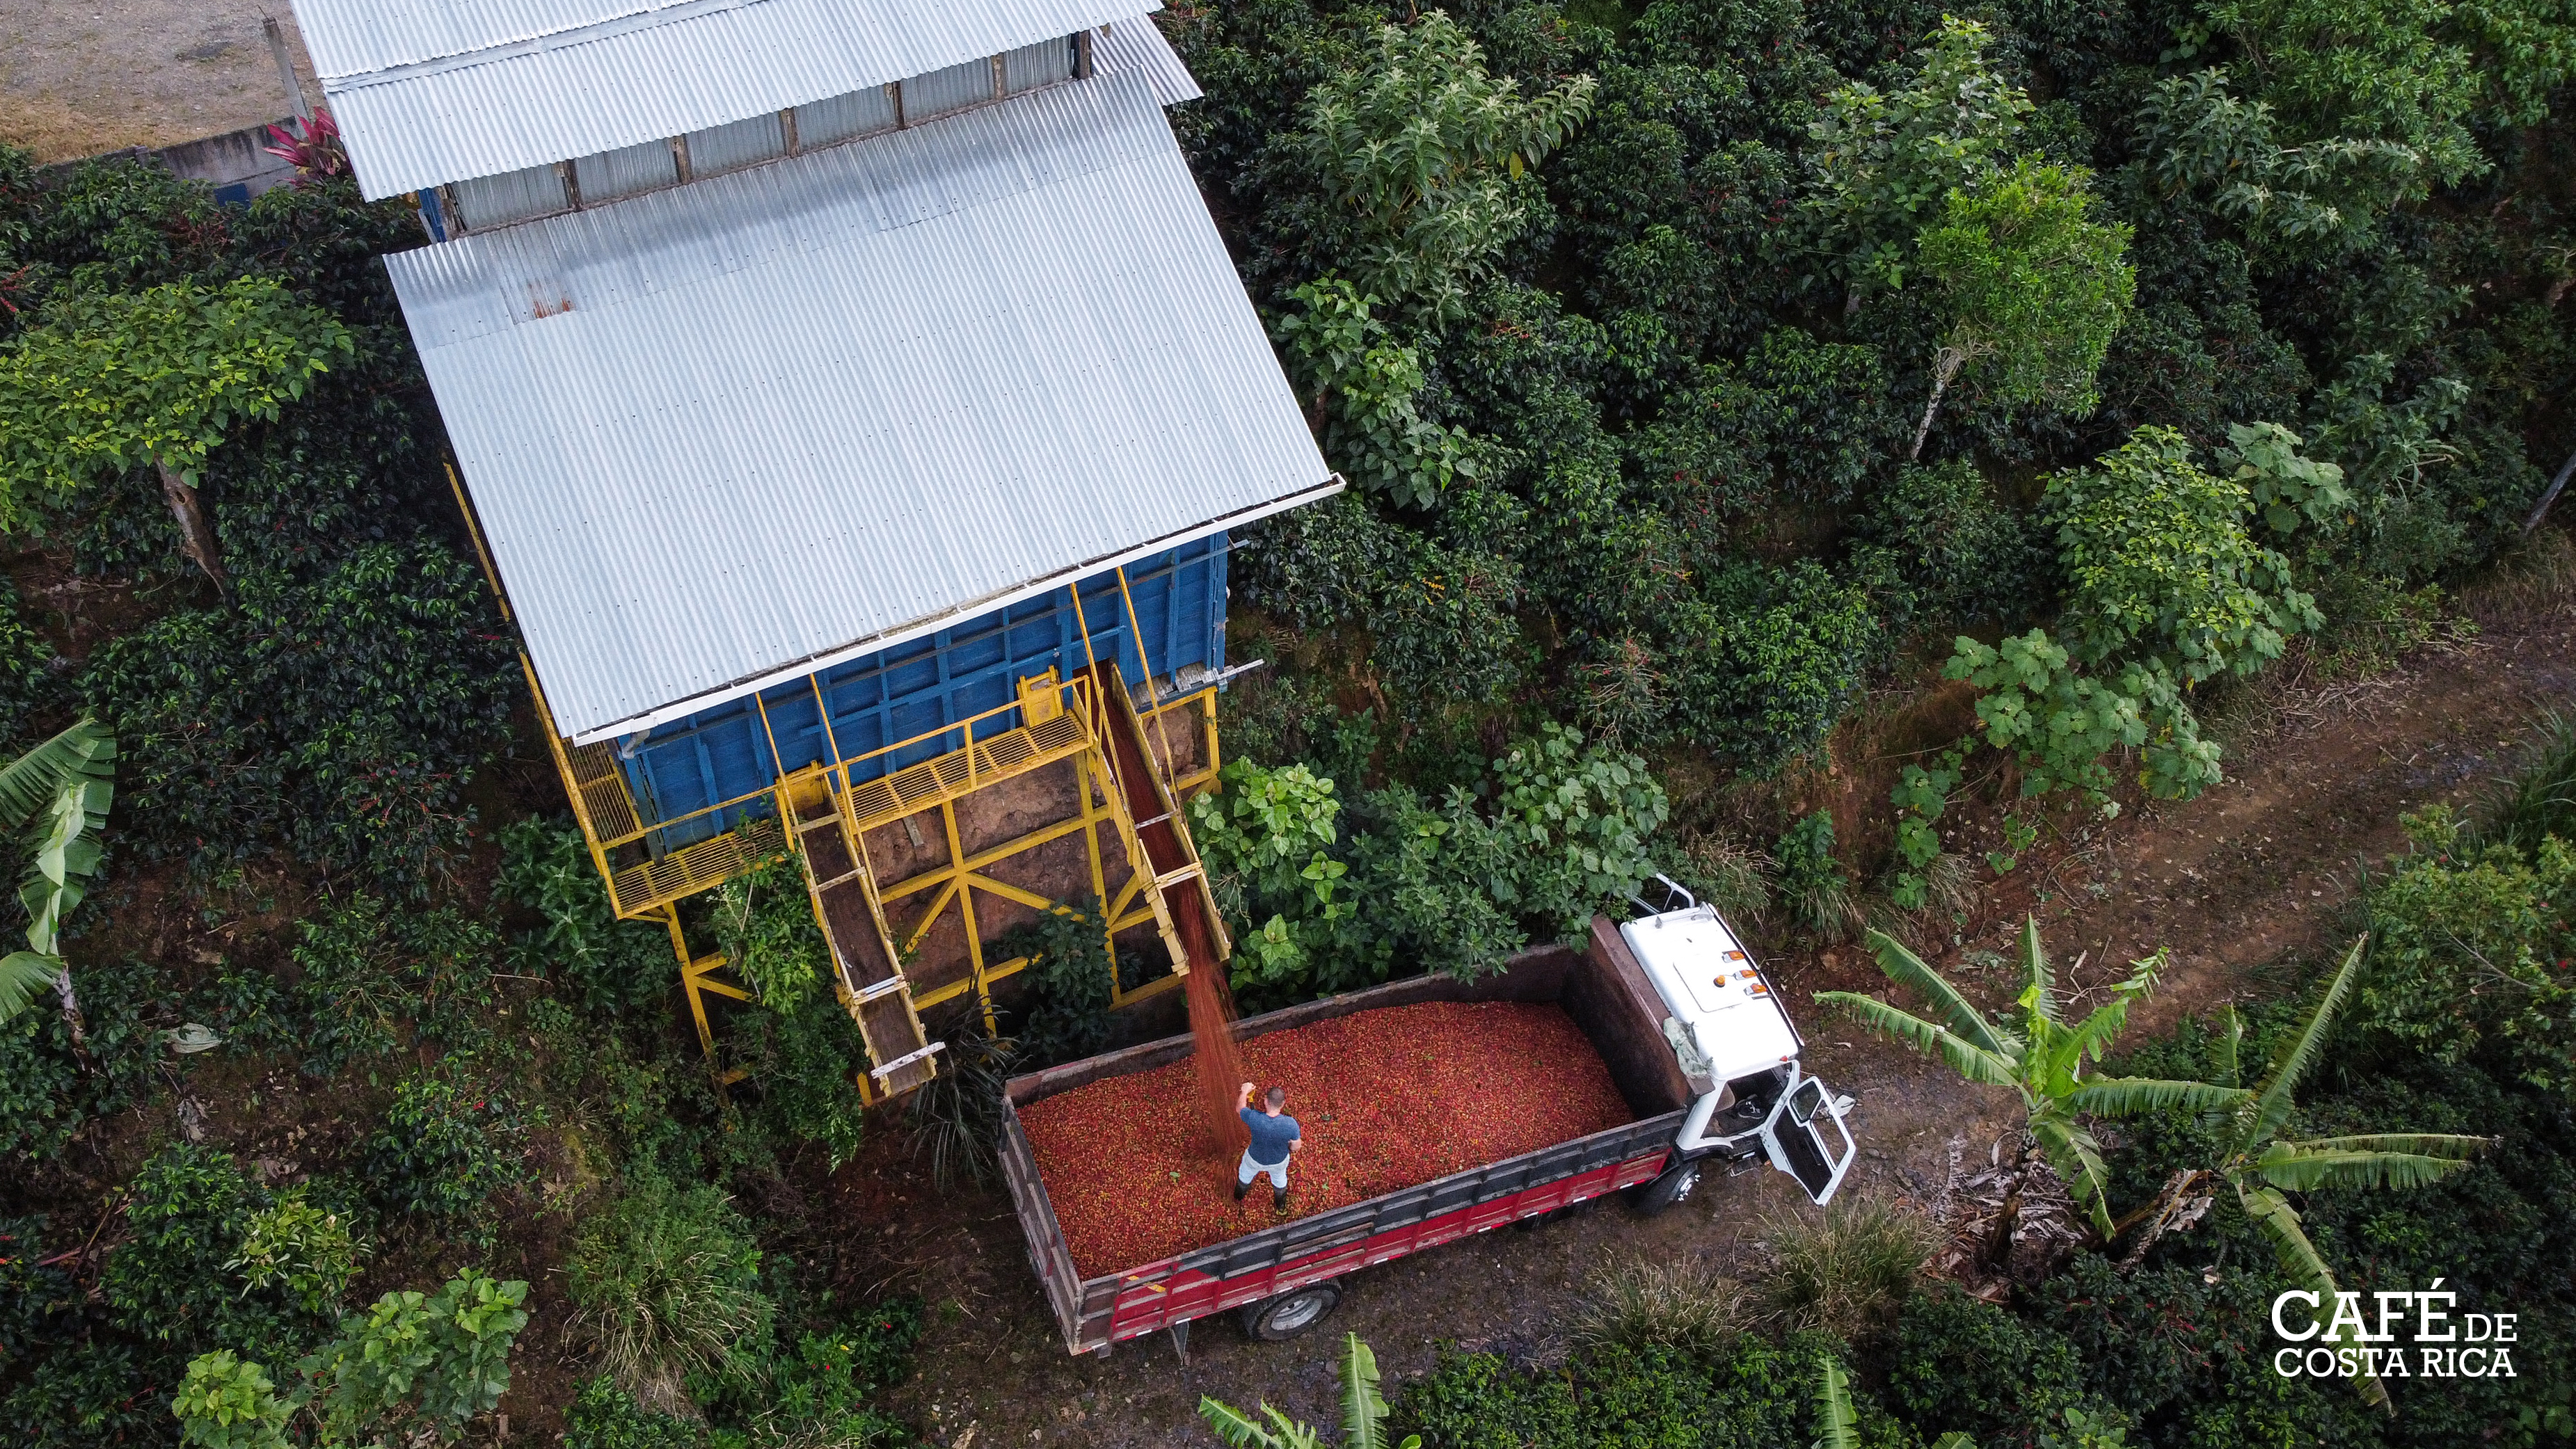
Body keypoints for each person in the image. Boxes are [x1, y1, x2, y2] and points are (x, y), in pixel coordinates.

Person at [1234, 1080, 1302, 1209]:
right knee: (1280, 1179)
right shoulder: (1291, 1124)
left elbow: (1240, 1108)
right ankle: (1280, 1205)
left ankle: (1239, 1196)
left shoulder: (1254, 1118)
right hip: (1278, 1161)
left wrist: (1244, 1091)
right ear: (1283, 1104)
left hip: (1254, 1159)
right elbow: (1296, 1146)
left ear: (1266, 1101)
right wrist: (1289, 1147)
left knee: (1245, 1175)